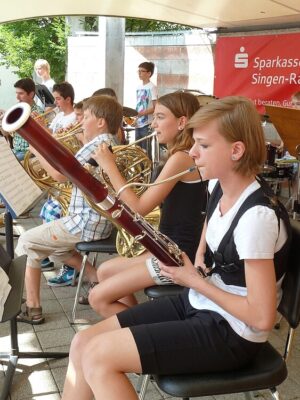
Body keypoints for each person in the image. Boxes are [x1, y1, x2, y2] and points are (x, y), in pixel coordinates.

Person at [61, 96, 291, 400]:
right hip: (201, 301)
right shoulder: (220, 183)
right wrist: (196, 259)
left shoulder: (256, 218)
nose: (193, 153)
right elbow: (210, 221)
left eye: (204, 146)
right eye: (194, 143)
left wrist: (194, 280)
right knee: (82, 343)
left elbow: (261, 318)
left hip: (232, 332)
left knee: (98, 357)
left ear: (236, 150)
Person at [86, 91, 207, 312]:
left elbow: (139, 209)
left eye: (160, 117)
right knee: (103, 271)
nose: (152, 124)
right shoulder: (179, 155)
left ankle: (142, 332)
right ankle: (138, 324)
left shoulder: (182, 158)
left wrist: (110, 167)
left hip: (177, 257)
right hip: (166, 247)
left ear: (182, 122)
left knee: (97, 298)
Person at [15, 95, 123, 324]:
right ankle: (96, 279)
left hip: (85, 222)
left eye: (86, 117)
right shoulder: (109, 141)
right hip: (95, 221)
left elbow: (59, 176)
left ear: (101, 121)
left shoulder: (96, 145)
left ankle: (33, 307)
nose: (81, 121)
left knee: (26, 242)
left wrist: (35, 148)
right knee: (50, 247)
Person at [12, 78, 43, 161]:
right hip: (15, 151)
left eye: (21, 94)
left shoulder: (38, 112)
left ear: (31, 94)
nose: (17, 97)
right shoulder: (17, 110)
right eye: (16, 93)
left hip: (28, 153)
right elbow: (6, 133)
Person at [135, 61, 158, 155]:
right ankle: (139, 170)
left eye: (142, 71)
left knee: (146, 150)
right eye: (138, 71)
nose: (139, 73)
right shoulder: (139, 87)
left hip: (147, 123)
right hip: (138, 122)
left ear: (149, 73)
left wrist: (141, 114)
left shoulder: (152, 87)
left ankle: (148, 170)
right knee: (137, 150)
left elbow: (155, 107)